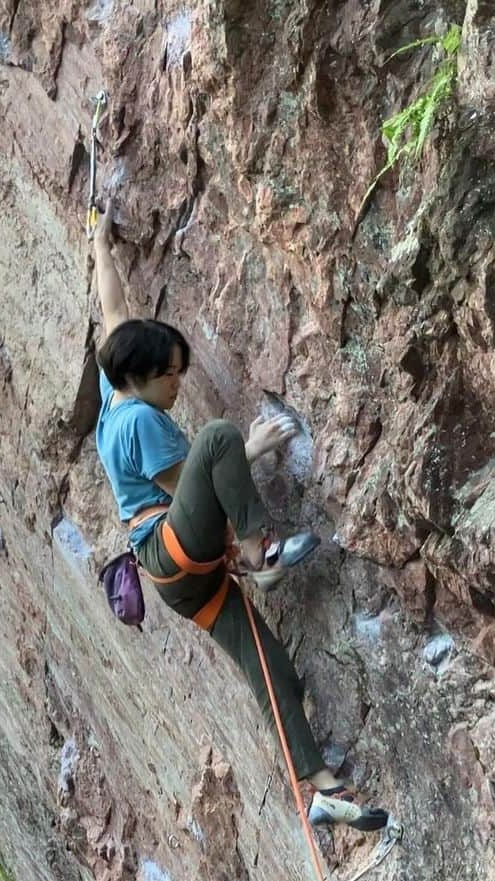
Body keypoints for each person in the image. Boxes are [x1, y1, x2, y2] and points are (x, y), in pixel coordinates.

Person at [91, 208, 388, 832]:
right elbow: (189, 493)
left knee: (269, 664)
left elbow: (112, 308)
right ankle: (264, 558)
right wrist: (250, 446)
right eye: (170, 375)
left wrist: (99, 240)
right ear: (141, 378)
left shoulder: (115, 392)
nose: (177, 384)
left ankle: (319, 788)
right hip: (173, 545)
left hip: (181, 580)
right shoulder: (141, 420)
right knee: (222, 436)